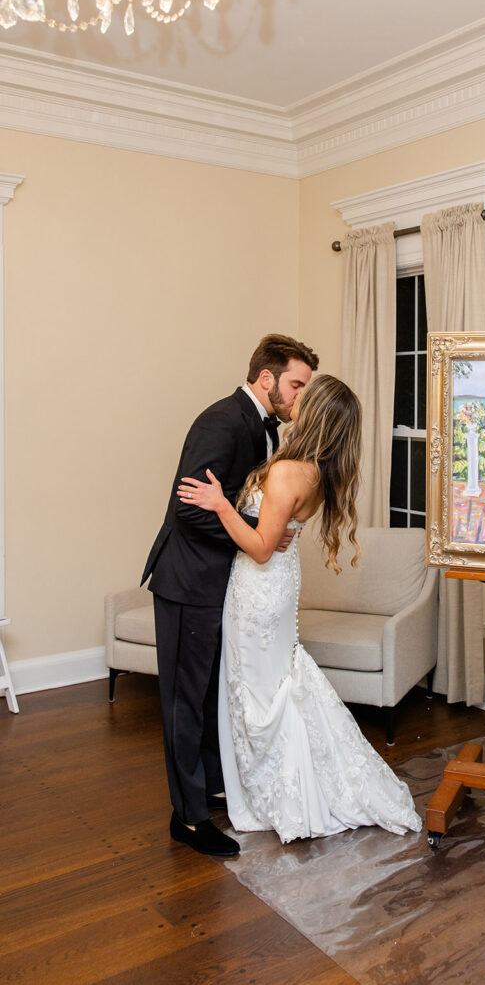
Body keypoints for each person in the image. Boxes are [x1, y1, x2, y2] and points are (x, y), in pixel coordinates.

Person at [177, 375, 421, 843]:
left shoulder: (289, 471)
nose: (296, 402)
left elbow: (262, 547)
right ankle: (275, 778)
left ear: (318, 416)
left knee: (257, 693)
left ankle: (279, 791)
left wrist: (220, 505)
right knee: (271, 687)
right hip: (278, 590)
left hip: (259, 587)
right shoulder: (317, 473)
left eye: (305, 398)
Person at [141, 334, 319, 858]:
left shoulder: (267, 429)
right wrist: (258, 530)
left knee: (212, 693)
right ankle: (189, 818)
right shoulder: (221, 420)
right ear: (267, 379)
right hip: (189, 582)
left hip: (226, 583)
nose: (300, 396)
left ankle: (213, 789)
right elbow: (190, 510)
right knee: (184, 702)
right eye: (295, 384)